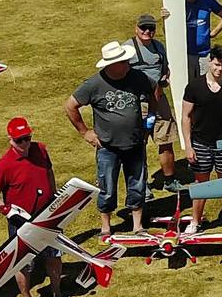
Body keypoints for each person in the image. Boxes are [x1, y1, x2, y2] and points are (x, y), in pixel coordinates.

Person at [65, 40, 169, 239]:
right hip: (107, 147)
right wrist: (85, 132)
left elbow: (155, 91)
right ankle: (106, 226)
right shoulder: (93, 84)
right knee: (107, 187)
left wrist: (150, 120)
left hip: (135, 143)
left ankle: (137, 225)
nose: (127, 64)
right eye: (123, 61)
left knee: (138, 184)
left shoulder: (138, 77)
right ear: (111, 65)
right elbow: (70, 106)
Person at [0, 116, 68, 297]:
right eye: (19, 140)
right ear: (10, 139)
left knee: (55, 255)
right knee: (23, 262)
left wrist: (54, 196)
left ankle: (57, 294)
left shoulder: (41, 150)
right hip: (21, 221)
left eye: (27, 138)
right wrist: (6, 210)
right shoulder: (4, 165)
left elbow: (49, 171)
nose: (24, 144)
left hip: (47, 215)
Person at [179, 44, 222, 237]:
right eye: (217, 65)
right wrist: (188, 146)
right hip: (200, 142)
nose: (219, 69)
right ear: (209, 62)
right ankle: (195, 222)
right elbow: (185, 117)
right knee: (201, 183)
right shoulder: (194, 87)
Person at [130, 12, 180, 191]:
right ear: (136, 28)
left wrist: (165, 78)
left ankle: (170, 181)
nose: (147, 31)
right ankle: (141, 186)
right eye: (143, 27)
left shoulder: (159, 46)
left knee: (166, 140)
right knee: (138, 145)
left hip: (159, 101)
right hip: (138, 103)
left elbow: (165, 69)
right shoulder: (128, 49)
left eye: (151, 28)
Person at [182, 0, 222, 78]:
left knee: (206, 81)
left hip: (204, 53)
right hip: (186, 54)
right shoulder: (178, 3)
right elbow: (168, 30)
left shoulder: (207, 1)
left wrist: (214, 32)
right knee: (188, 82)